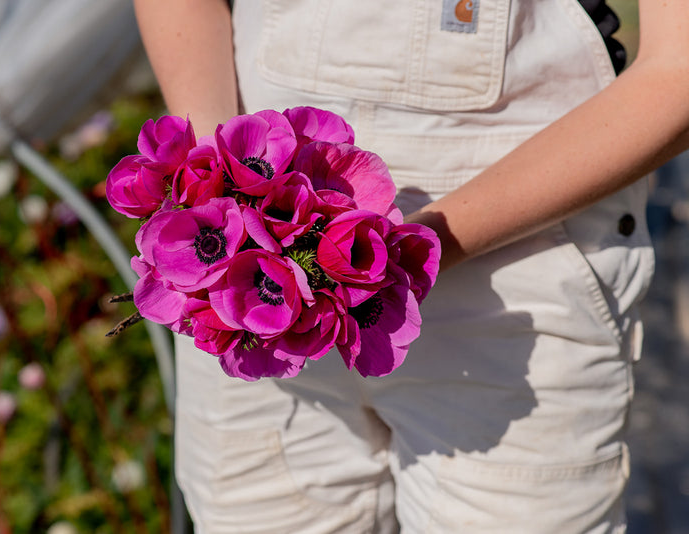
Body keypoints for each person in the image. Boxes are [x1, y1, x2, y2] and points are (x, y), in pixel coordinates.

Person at [133, 0, 689, 531]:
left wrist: (398, 254)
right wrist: (221, 186)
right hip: (249, 307)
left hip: (520, 293)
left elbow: (678, 77)